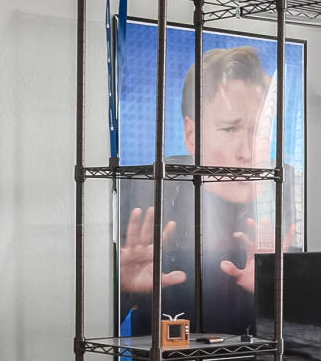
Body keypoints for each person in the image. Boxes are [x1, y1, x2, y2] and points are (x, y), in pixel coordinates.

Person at [118, 42, 296, 341]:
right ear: (191, 135)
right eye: (230, 129)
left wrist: (272, 297)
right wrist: (120, 290)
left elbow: (316, 340)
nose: (248, 153)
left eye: (260, 131)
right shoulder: (142, 197)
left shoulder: (289, 194)